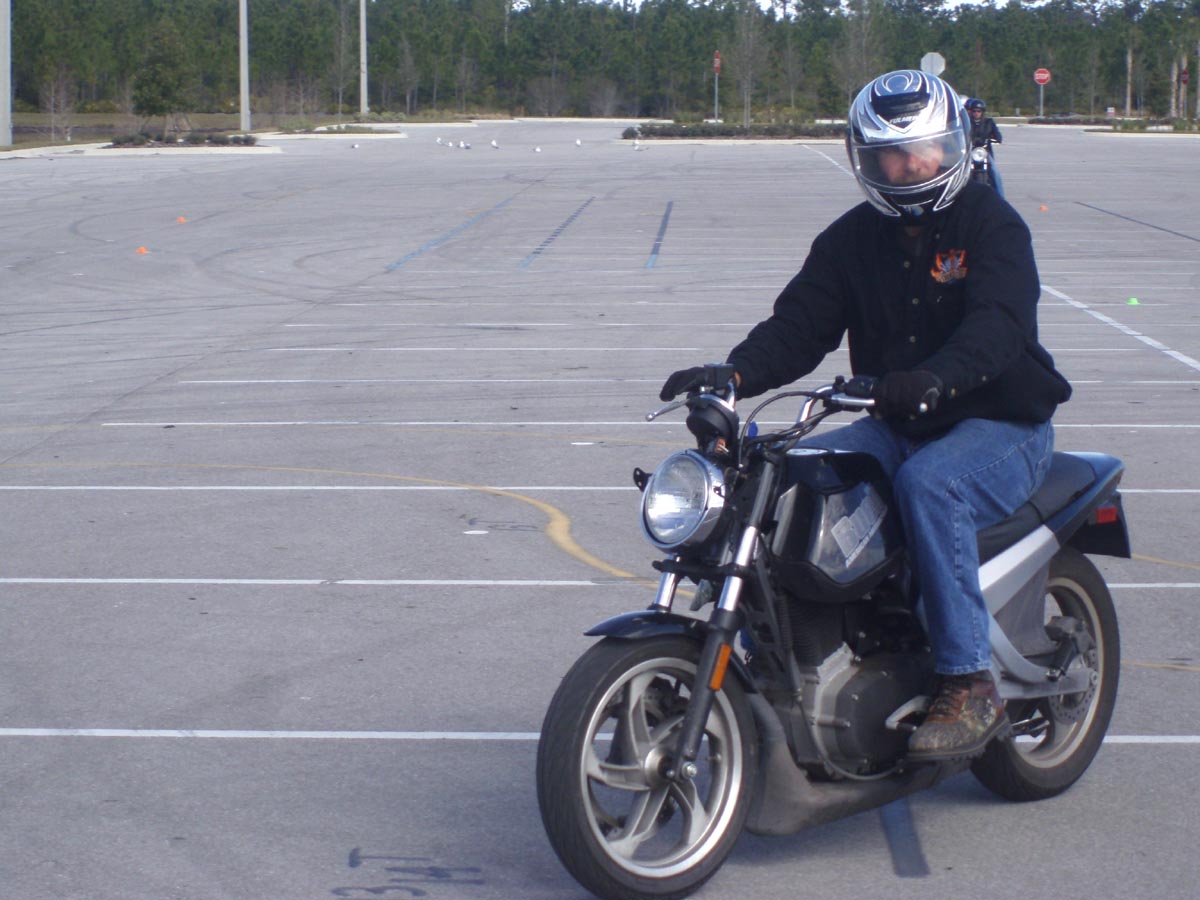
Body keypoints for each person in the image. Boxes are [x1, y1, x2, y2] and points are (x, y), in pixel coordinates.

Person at [659, 70, 1071, 762]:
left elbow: (999, 326)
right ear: (863, 159)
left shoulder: (991, 224)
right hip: (896, 424)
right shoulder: (851, 240)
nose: (909, 167)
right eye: (890, 155)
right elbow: (799, 325)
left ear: (953, 147)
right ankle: (793, 650)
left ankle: (969, 681)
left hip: (1001, 426)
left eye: (924, 151)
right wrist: (733, 375)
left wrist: (935, 379)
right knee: (790, 473)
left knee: (930, 485)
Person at [965, 97, 1004, 195]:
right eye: (974, 111)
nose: (976, 113)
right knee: (961, 170)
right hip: (970, 151)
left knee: (994, 171)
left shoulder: (989, 122)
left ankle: (1000, 196)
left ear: (982, 112)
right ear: (971, 112)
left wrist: (997, 138)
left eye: (979, 111)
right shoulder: (967, 122)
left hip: (985, 151)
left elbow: (998, 136)